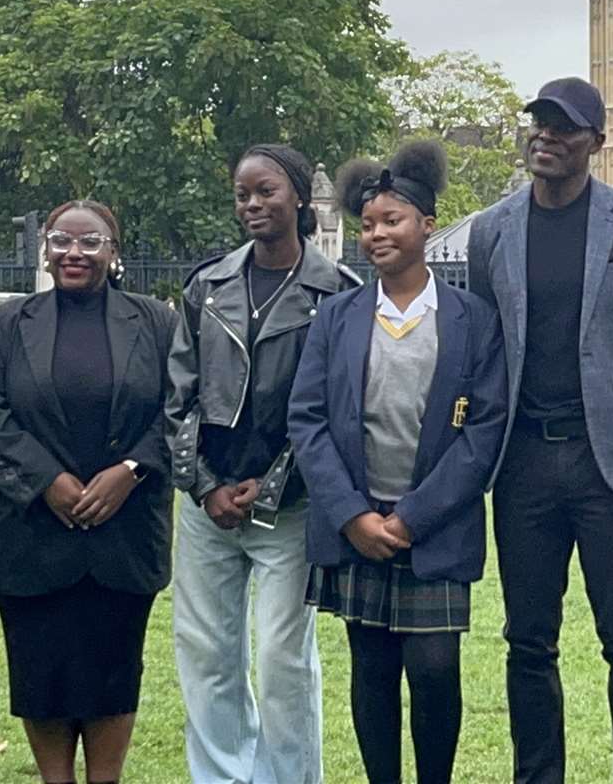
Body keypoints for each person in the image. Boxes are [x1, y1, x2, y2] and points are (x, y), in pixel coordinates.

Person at [465, 76, 613, 784]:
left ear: (598, 141)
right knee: (528, 641)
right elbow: (484, 344)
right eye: (539, 123)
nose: (547, 136)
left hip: (609, 463)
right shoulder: (492, 229)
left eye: (564, 127)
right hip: (522, 461)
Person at [288, 142, 509, 784]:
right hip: (357, 526)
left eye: (393, 220)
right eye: (368, 223)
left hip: (432, 525)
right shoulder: (337, 316)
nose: (377, 234)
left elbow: (485, 428)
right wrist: (353, 514)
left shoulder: (472, 320)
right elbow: (308, 419)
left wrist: (414, 517)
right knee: (372, 668)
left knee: (436, 667)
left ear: (428, 226)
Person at [0, 200, 178, 784]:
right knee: (41, 674)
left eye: (91, 242)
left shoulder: (156, 323)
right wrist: (47, 482)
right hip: (32, 533)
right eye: (61, 240)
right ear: (45, 249)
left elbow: (181, 409)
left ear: (115, 254)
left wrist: (131, 470)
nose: (74, 253)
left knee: (113, 672)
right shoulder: (6, 326)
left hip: (125, 533)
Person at [167, 144, 359, 784]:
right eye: (243, 193)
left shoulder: (337, 292)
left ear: (300, 197)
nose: (253, 204)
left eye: (267, 191)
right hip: (208, 505)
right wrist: (204, 487)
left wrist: (272, 485)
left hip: (292, 506)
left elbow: (337, 412)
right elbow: (178, 395)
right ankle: (222, 775)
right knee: (207, 651)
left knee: (283, 657)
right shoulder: (207, 286)